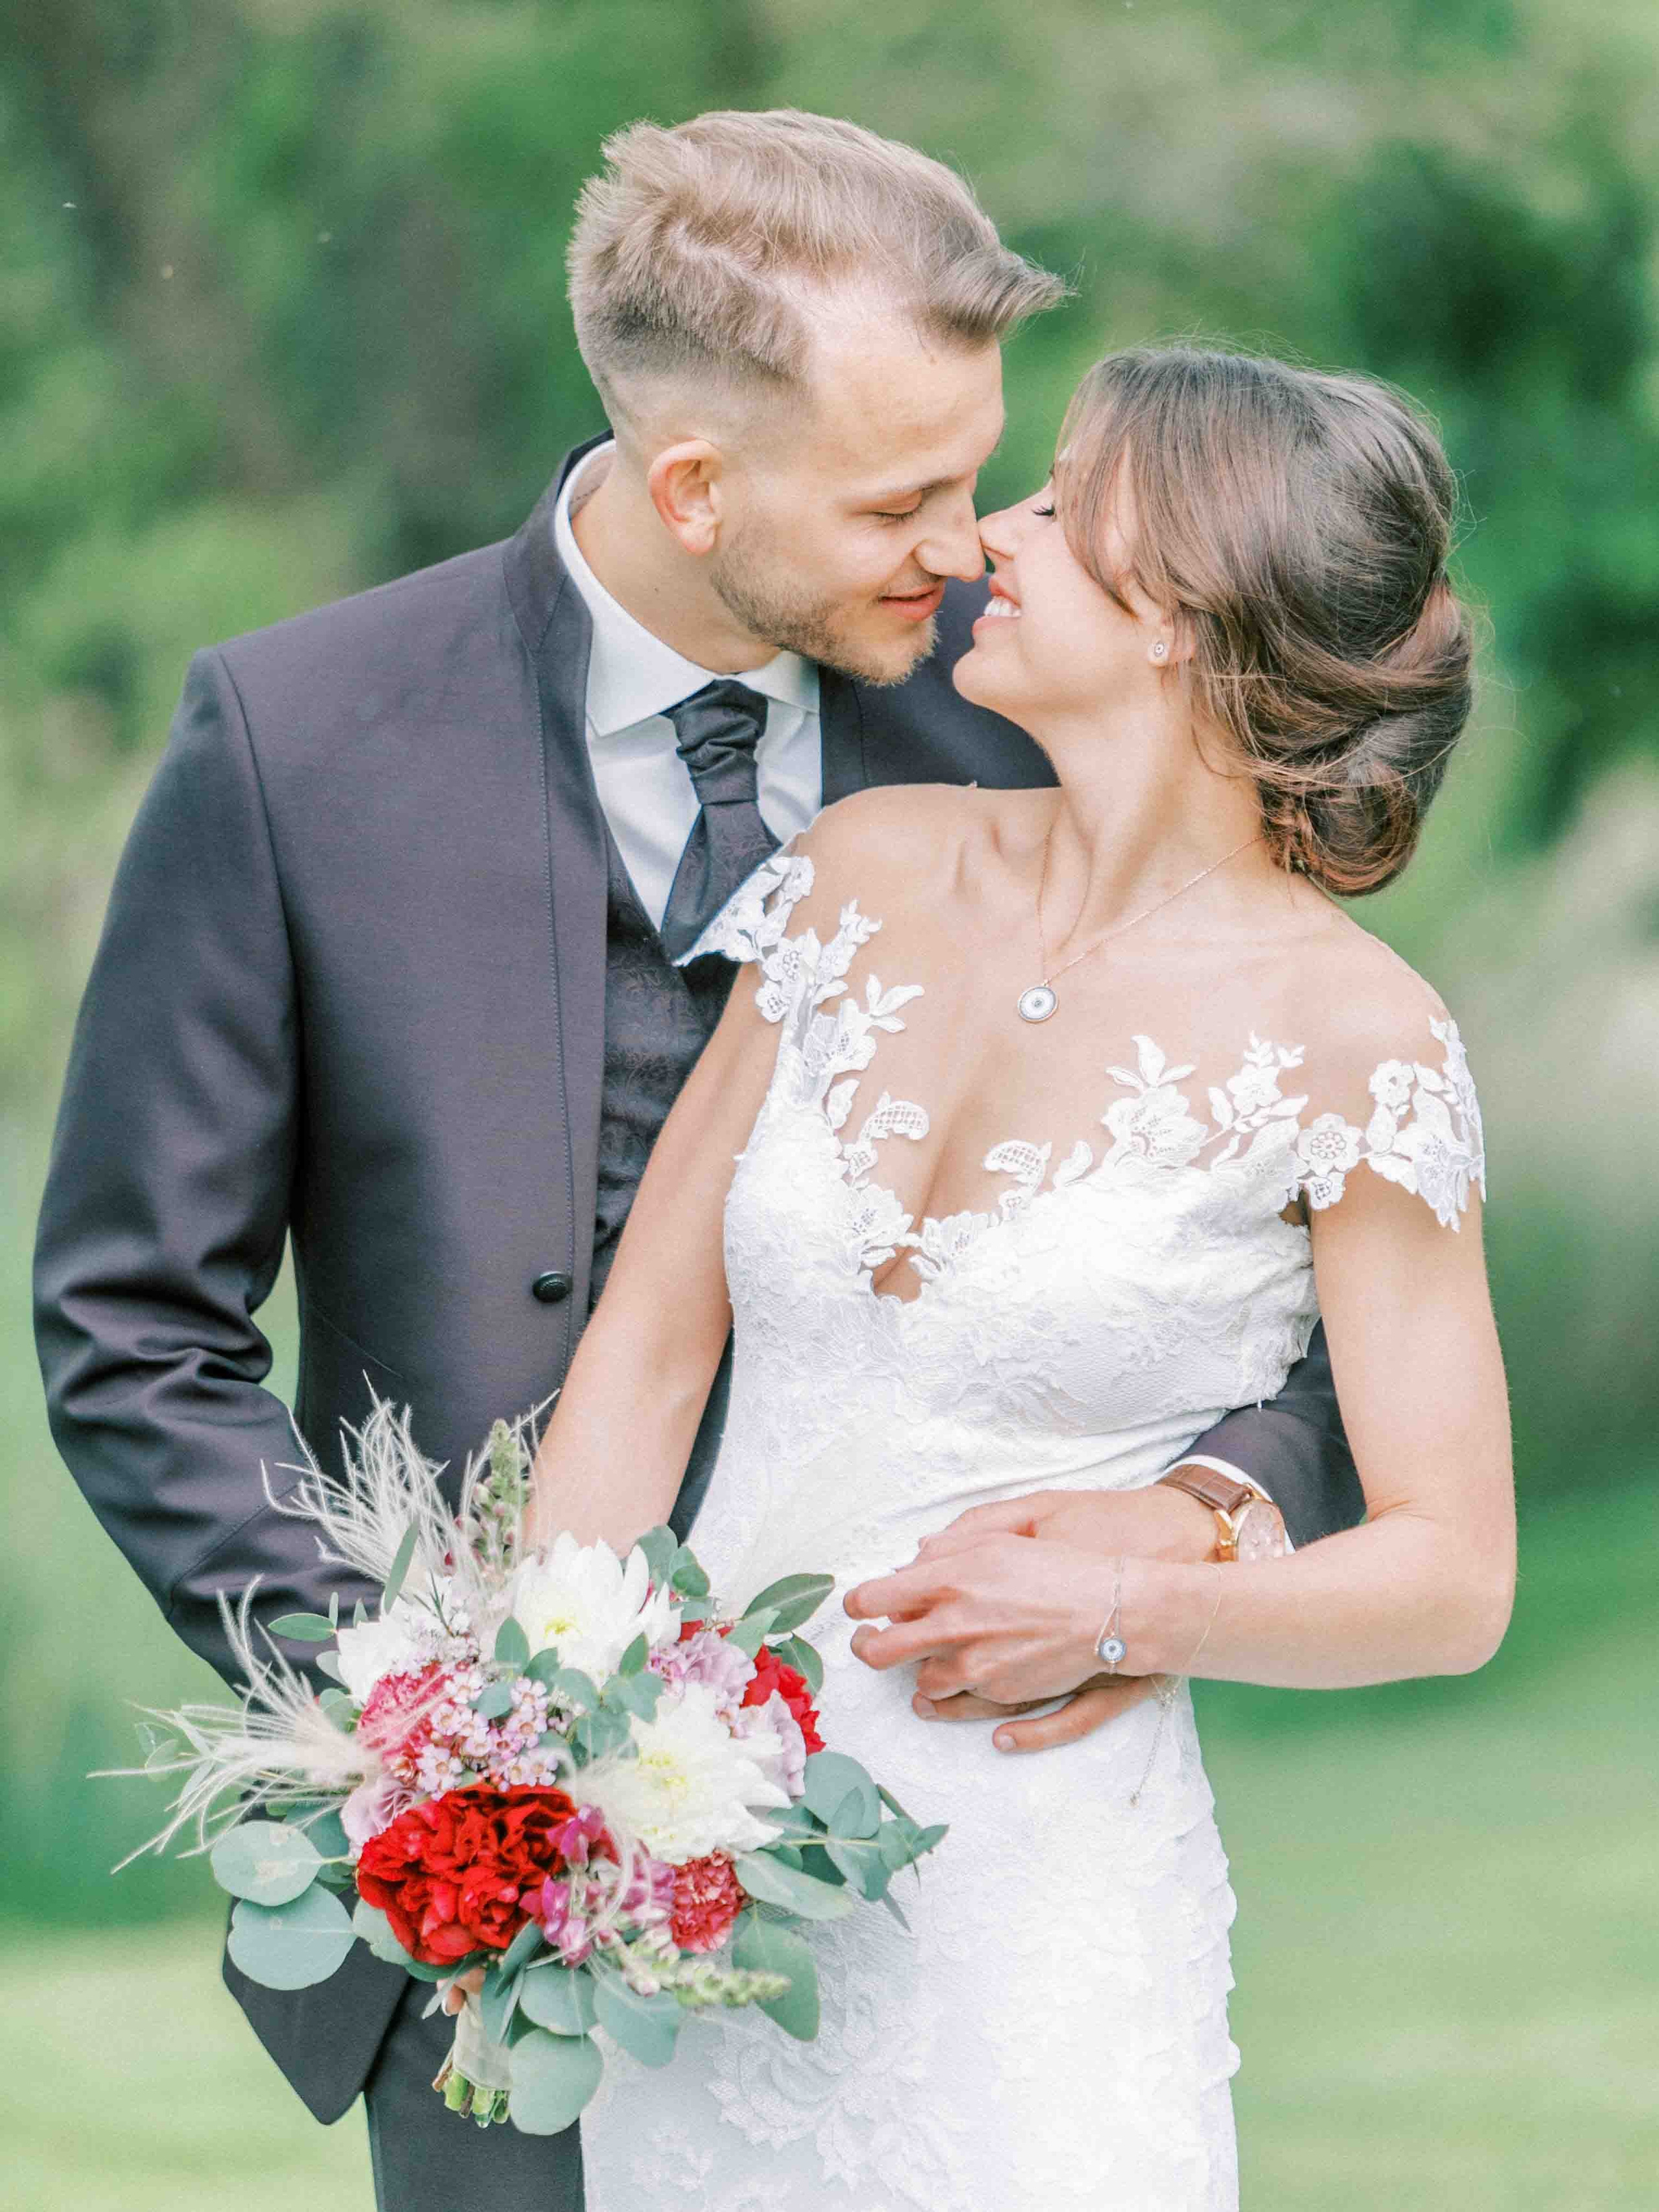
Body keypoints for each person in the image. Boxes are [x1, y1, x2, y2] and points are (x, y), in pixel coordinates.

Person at [33, 113, 1362, 2211]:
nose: (972, 548)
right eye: (906, 498)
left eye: (978, 474)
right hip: (497, 1922)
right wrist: (431, 1746)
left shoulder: (1036, 717)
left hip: (969, 1867)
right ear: (695, 488)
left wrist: (1189, 1533)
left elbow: (1312, 1205)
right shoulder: (297, 748)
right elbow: (130, 1322)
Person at [525, 343, 1514, 2209]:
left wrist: (1139, 1608)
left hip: (1036, 1917)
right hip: (697, 1879)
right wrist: (542, 1747)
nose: (991, 536)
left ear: (1185, 612)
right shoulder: (852, 871)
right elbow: (651, 1350)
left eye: (1061, 512)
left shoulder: (1356, 1040)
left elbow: (1454, 1574)